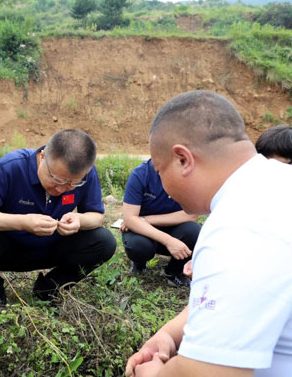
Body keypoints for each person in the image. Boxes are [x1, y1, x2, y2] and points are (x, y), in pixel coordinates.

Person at [125, 90, 292, 377]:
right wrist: (169, 334)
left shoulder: (238, 227)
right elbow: (243, 302)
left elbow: (206, 372)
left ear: (182, 159)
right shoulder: (273, 188)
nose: (163, 186)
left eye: (161, 171)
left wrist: (152, 374)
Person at [0, 129, 117, 307]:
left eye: (72, 184)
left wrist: (79, 220)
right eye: (56, 179)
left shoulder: (85, 174)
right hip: (10, 248)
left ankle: (50, 289)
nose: (61, 189)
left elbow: (96, 216)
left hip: (53, 248)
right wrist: (22, 222)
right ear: (42, 157)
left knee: (105, 241)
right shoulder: (12, 166)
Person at [120, 158, 200, 288]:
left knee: (194, 232)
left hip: (172, 227)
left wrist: (146, 219)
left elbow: (191, 215)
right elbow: (129, 219)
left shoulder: (189, 174)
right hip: (142, 231)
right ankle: (139, 264)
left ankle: (173, 272)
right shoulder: (140, 174)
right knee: (139, 246)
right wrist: (168, 240)